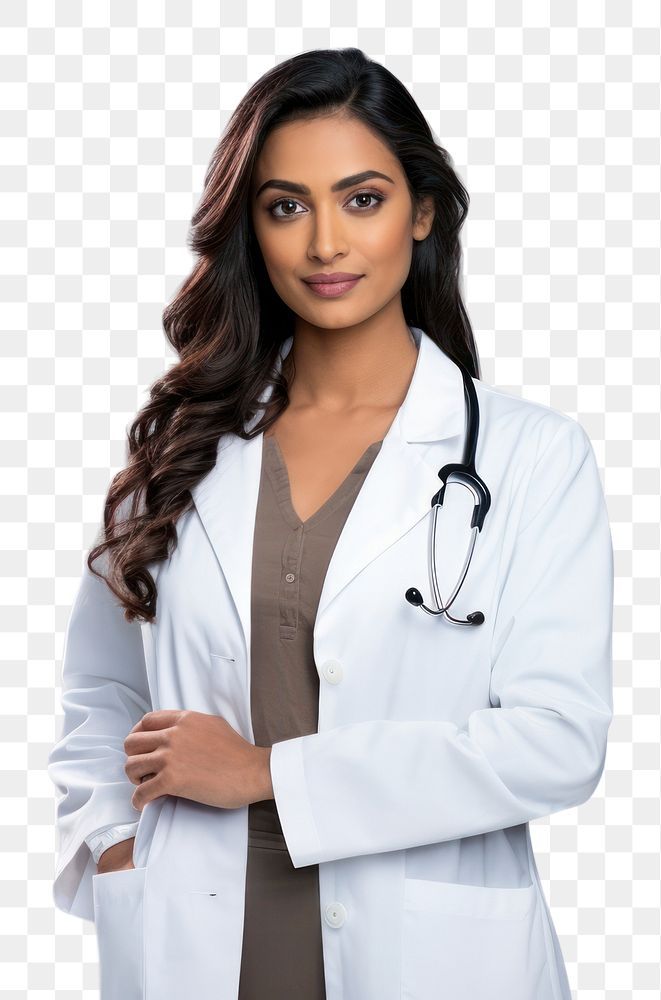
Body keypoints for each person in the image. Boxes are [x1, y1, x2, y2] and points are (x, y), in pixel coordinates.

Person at [47, 47, 614, 1000]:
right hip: (197, 938)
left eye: (361, 199)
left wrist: (269, 776)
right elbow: (97, 698)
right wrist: (111, 849)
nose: (323, 245)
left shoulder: (530, 457)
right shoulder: (183, 451)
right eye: (285, 206)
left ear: (422, 212)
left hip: (429, 956)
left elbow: (557, 741)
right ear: (251, 229)